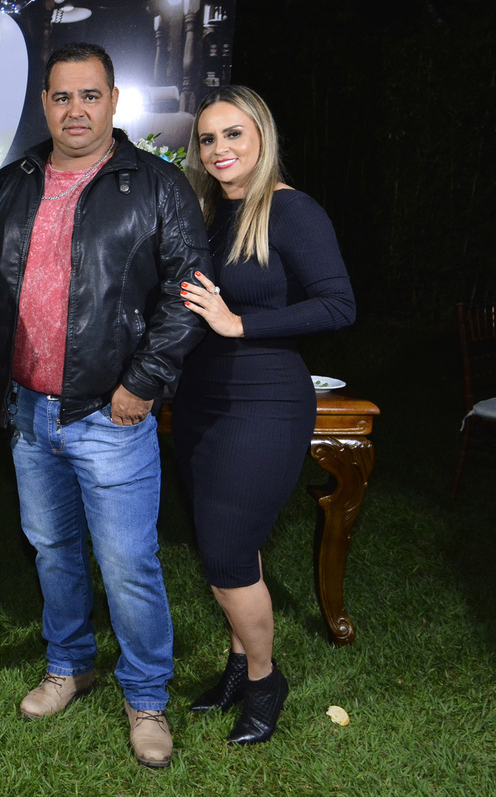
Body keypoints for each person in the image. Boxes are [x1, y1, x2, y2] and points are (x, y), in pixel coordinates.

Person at [0, 44, 208, 767]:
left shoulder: (156, 185)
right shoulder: (12, 184)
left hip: (110, 413)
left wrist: (142, 384)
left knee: (127, 562)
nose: (75, 111)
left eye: (89, 95)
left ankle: (147, 696)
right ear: (44, 104)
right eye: (62, 97)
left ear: (114, 101)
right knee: (52, 548)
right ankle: (68, 663)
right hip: (28, 413)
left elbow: (188, 294)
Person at [172, 85, 355, 745]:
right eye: (208, 138)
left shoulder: (290, 210)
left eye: (234, 134)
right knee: (230, 541)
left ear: (262, 137)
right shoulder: (208, 214)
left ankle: (265, 679)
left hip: (265, 402)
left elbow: (339, 304)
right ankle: (237, 665)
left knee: (225, 551)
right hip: (200, 401)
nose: (219, 148)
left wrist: (239, 323)